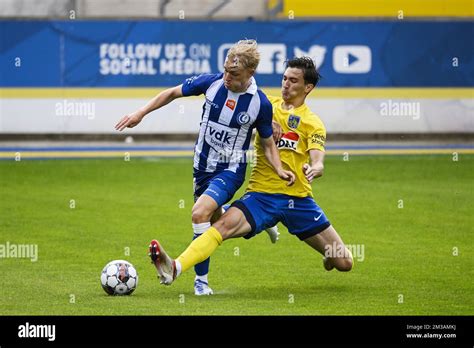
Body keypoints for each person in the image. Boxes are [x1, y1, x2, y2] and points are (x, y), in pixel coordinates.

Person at [148, 56, 353, 287]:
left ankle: (328, 256)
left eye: (294, 81)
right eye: (284, 78)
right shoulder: (263, 105)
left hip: (299, 200)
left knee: (344, 263)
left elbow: (318, 158)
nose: (286, 84)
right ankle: (175, 267)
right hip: (261, 196)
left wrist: (314, 168)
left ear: (308, 87)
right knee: (220, 227)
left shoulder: (312, 123)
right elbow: (242, 88)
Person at [115, 39, 295, 295]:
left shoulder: (260, 104)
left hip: (230, 170)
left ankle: (200, 282)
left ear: (250, 73)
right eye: (225, 70)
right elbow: (171, 93)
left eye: (233, 74)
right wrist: (140, 113)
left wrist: (278, 169)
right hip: (201, 167)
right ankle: (259, 221)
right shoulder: (211, 83)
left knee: (199, 214)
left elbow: (267, 143)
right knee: (216, 220)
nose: (226, 77)